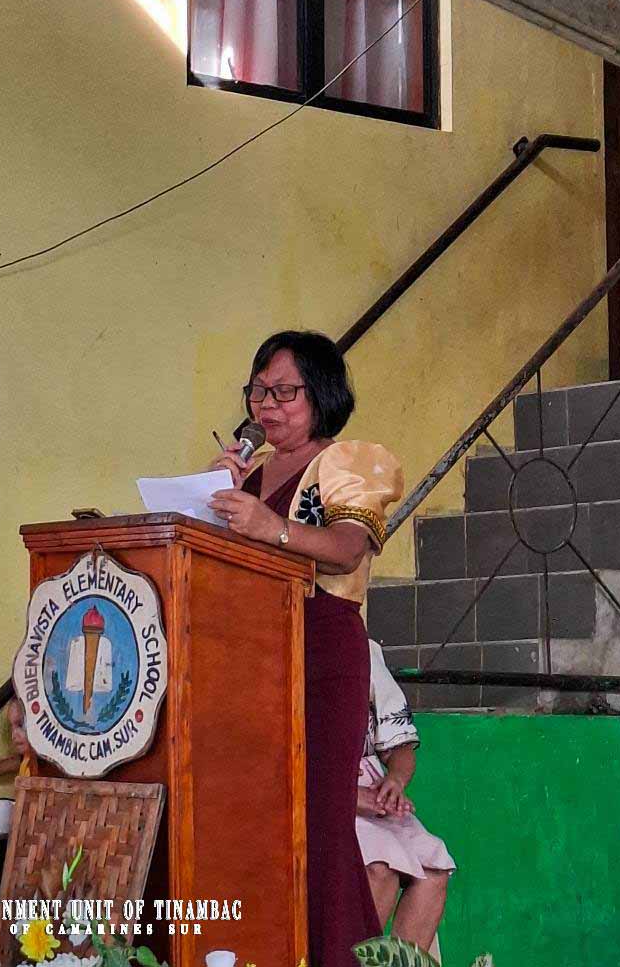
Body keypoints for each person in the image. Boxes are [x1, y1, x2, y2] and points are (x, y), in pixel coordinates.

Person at [208, 330, 403, 967]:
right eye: (258, 391)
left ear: (320, 395)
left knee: (318, 824)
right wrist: (208, 500)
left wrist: (272, 526)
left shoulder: (345, 462)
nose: (267, 405)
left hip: (321, 650)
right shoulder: (250, 473)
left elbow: (347, 549)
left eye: (284, 391)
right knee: (256, 820)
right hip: (249, 655)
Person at [357, 640, 454, 949]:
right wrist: (347, 797)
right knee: (381, 869)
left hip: (372, 787)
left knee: (434, 871)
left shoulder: (365, 651)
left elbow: (400, 747)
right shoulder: (284, 644)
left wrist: (395, 781)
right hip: (319, 790)